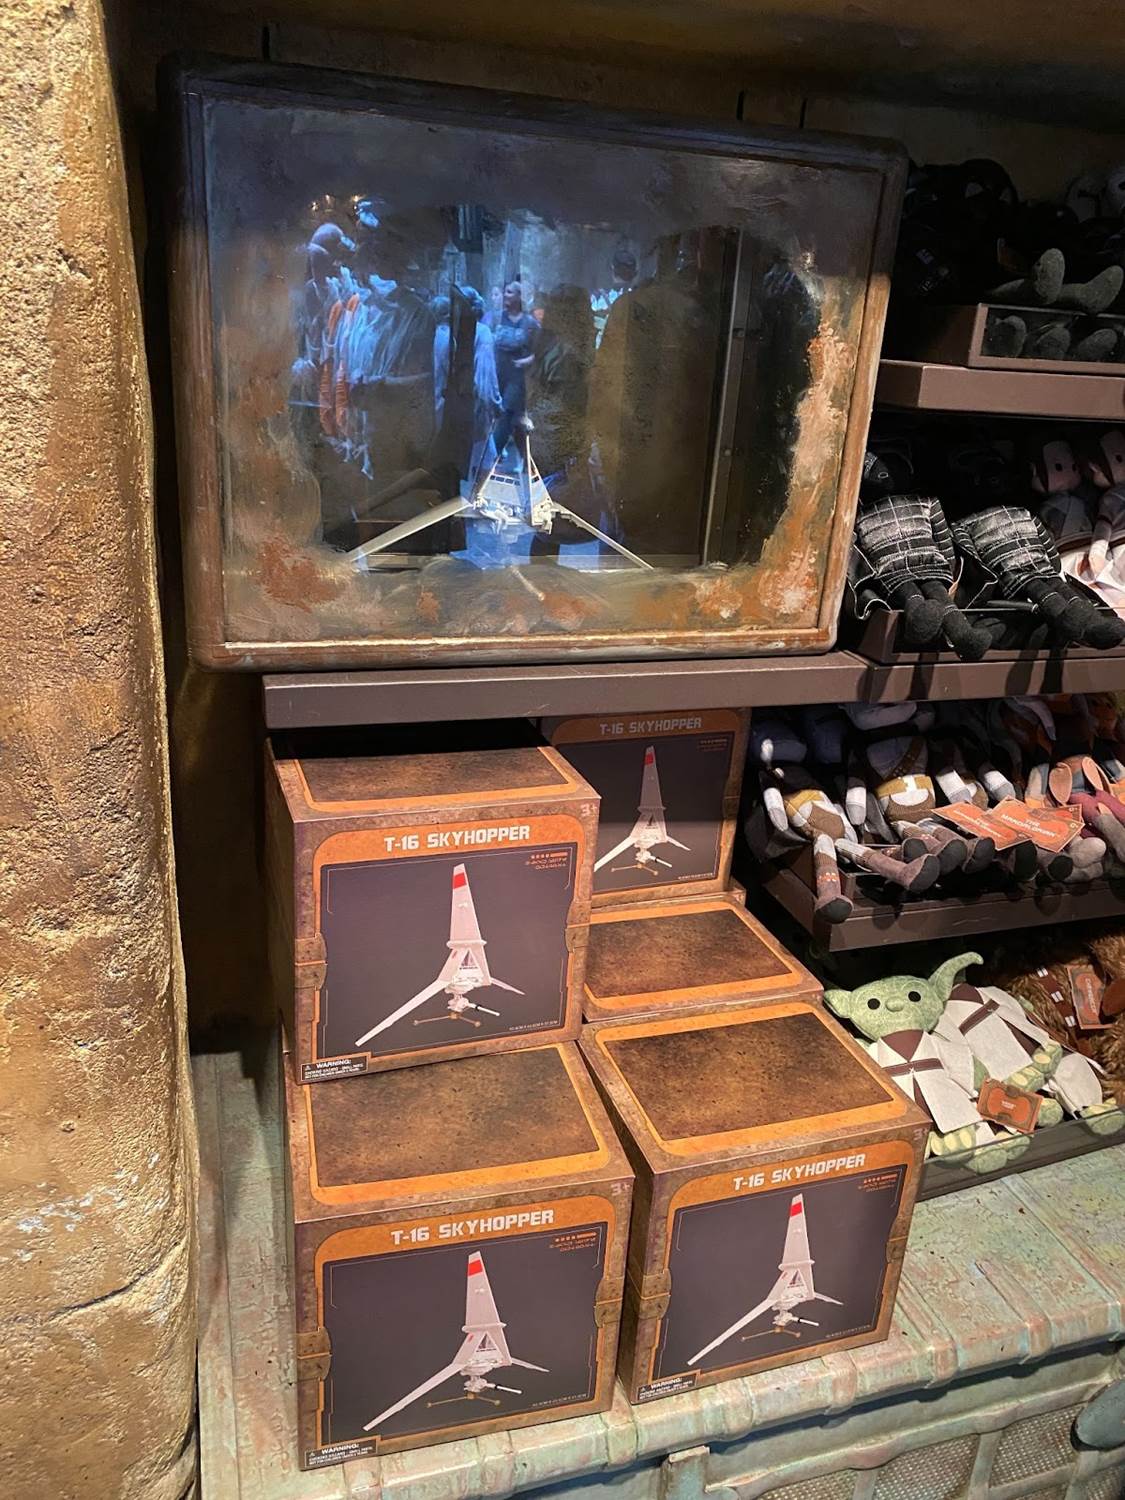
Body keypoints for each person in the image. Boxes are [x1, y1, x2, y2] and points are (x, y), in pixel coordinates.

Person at [491, 279, 539, 461]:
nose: (505, 295)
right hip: (498, 375)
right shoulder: (496, 318)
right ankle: (528, 460)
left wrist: (527, 360)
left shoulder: (529, 322)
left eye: (510, 292)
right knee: (515, 421)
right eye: (505, 291)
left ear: (520, 296)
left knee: (506, 413)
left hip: (517, 378)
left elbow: (542, 349)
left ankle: (492, 457)